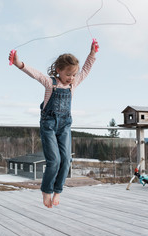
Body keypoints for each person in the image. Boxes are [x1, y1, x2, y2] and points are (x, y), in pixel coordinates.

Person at [9, 40, 99, 208]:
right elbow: (35, 73)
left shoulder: (73, 84)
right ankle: (46, 191)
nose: (72, 78)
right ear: (58, 70)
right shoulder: (51, 83)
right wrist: (18, 63)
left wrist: (92, 53)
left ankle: (58, 191)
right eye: (68, 74)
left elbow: (86, 70)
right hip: (49, 125)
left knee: (66, 160)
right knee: (54, 161)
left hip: (64, 126)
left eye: (74, 75)